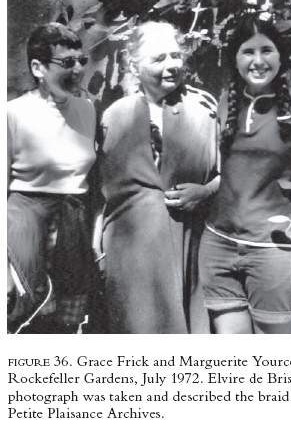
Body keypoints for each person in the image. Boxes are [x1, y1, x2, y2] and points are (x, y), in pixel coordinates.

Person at [199, 16, 291, 334]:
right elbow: (228, 174)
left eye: (266, 50)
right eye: (247, 52)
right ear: (235, 59)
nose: (258, 61)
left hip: (274, 251)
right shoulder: (228, 101)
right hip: (218, 246)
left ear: (280, 55)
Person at [98, 21, 219, 334]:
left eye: (175, 56)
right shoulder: (115, 115)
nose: (171, 65)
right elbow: (100, 193)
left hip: (189, 245)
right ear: (135, 67)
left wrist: (205, 191)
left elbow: (228, 174)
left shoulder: (203, 110)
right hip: (132, 253)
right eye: (158, 59)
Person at [7, 23, 97, 334]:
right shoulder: (13, 114)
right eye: (67, 62)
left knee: (66, 326)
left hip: (74, 227)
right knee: (23, 323)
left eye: (81, 61)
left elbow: (93, 183)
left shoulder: (87, 110)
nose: (77, 70)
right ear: (37, 67)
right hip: (25, 230)